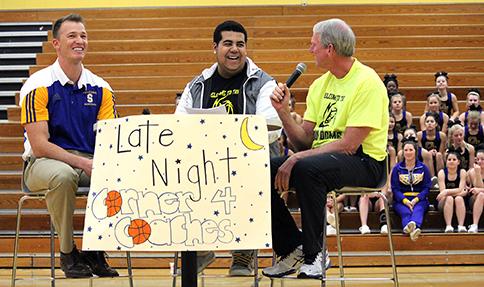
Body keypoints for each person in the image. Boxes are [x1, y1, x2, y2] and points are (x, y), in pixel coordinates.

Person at [262, 18, 388, 279]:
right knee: (258, 170)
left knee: (308, 168)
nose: (310, 51)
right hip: (321, 159)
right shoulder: (320, 85)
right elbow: (304, 141)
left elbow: (349, 145)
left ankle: (316, 253)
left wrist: (296, 158)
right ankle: (292, 247)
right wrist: (283, 112)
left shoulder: (367, 82)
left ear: (329, 49)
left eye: (314, 45)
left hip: (366, 162)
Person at [175, 20, 280, 276]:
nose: (235, 50)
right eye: (228, 44)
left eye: (240, 44)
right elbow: (179, 125)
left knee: (249, 166)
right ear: (215, 47)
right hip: (206, 157)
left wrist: (227, 140)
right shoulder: (197, 85)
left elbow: (271, 128)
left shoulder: (263, 82)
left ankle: (244, 252)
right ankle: (198, 249)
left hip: (252, 156)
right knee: (177, 167)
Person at [19, 14, 118, 278]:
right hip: (42, 164)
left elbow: (111, 138)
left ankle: (97, 250)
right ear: (56, 43)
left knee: (118, 175)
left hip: (86, 159)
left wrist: (97, 162)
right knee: (63, 176)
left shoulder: (102, 88)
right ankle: (67, 253)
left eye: (83, 35)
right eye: (72, 36)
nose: (79, 41)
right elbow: (40, 145)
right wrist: (82, 162)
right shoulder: (37, 84)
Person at [391, 138, 431, 241]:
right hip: (401, 200)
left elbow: (427, 187)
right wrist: (405, 200)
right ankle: (415, 229)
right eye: (406, 150)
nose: (408, 152)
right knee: (406, 212)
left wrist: (416, 199)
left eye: (411, 150)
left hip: (420, 199)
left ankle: (410, 228)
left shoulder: (423, 168)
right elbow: (395, 188)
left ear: (416, 152)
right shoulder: (397, 168)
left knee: (418, 210)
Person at [437, 150, 468, 233]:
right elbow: (442, 192)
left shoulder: (462, 172)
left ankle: (461, 226)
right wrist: (458, 192)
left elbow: (461, 189)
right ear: (446, 161)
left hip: (458, 201)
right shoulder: (442, 173)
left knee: (459, 198)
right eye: (449, 159)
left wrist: (447, 191)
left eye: (454, 160)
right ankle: (448, 226)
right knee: (450, 198)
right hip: (443, 202)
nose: (451, 161)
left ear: (458, 162)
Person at [467, 146, 484, 233]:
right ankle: (475, 225)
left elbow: (479, 188)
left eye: (483, 159)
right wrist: (477, 173)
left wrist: (480, 190)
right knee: (481, 195)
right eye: (478, 159)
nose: (480, 161)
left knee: (481, 193)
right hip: (474, 200)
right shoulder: (472, 171)